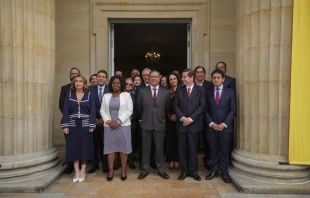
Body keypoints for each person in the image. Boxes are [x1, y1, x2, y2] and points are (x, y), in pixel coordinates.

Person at [137, 70, 170, 180]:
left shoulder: (165, 92)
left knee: (160, 149)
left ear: (160, 78)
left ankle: (161, 170)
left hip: (160, 124)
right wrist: (144, 118)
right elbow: (139, 107)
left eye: (156, 77)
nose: (154, 79)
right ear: (148, 78)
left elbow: (167, 108)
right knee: (146, 149)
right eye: (152, 77)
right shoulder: (142, 91)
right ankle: (145, 170)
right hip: (146, 124)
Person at [62, 75, 96, 183]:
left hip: (85, 126)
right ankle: (76, 171)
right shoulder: (69, 95)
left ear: (84, 83)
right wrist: (65, 125)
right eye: (76, 81)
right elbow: (65, 111)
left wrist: (92, 125)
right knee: (74, 148)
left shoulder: (89, 94)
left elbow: (93, 111)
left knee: (85, 147)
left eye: (80, 81)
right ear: (73, 83)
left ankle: (83, 170)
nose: (78, 83)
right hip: (72, 125)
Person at [174, 69, 206, 181]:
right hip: (181, 124)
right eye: (182, 77)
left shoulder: (201, 90)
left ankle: (193, 172)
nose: (182, 79)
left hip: (194, 125)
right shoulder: (179, 90)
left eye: (184, 77)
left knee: (193, 149)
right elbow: (176, 106)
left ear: (192, 78)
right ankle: (184, 171)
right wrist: (183, 118)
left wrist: (191, 119)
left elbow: (202, 106)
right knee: (182, 149)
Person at [205, 69, 236, 183]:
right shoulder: (207, 92)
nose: (216, 80)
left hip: (225, 128)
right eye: (214, 78)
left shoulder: (230, 92)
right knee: (213, 150)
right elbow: (205, 110)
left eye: (218, 77)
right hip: (211, 127)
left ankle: (224, 171)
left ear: (223, 79)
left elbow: (233, 109)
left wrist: (224, 124)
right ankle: (214, 170)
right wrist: (211, 124)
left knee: (224, 150)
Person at [100, 76, 133, 181]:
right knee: (110, 148)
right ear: (111, 84)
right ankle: (111, 170)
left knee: (123, 148)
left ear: (121, 84)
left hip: (123, 126)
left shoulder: (126, 95)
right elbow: (102, 110)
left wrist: (118, 122)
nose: (116, 85)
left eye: (118, 83)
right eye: (114, 83)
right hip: (109, 126)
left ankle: (123, 169)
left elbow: (129, 110)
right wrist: (108, 122)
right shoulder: (106, 96)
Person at [59, 67, 80, 174]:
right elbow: (61, 105)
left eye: (76, 73)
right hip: (69, 120)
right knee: (70, 143)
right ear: (69, 75)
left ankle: (78, 164)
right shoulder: (64, 88)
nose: (74, 75)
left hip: (81, 121)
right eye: (72, 73)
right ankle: (70, 164)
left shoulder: (84, 89)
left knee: (80, 143)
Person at [88, 70, 109, 174]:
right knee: (94, 145)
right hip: (93, 121)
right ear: (96, 78)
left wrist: (103, 119)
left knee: (105, 144)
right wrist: (94, 119)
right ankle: (95, 165)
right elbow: (87, 106)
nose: (101, 78)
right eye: (99, 76)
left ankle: (105, 165)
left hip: (106, 122)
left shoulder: (110, 89)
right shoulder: (89, 89)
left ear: (106, 79)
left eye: (103, 77)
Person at [135, 68, 156, 170]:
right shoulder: (139, 88)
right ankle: (143, 163)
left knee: (153, 142)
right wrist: (140, 119)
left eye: (148, 75)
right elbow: (137, 105)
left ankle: (152, 161)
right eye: (144, 75)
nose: (146, 77)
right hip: (143, 121)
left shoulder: (156, 87)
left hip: (155, 120)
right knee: (142, 143)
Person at [194, 66, 213, 170]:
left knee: (207, 140)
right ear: (195, 74)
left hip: (207, 117)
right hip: (193, 118)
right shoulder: (191, 85)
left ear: (205, 74)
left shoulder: (210, 85)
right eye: (198, 72)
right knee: (194, 142)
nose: (200, 74)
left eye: (202, 72)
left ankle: (207, 160)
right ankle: (193, 162)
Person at [165, 72, 181, 171]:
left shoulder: (182, 90)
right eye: (170, 79)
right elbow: (165, 106)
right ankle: (171, 159)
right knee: (170, 140)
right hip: (169, 119)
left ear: (177, 79)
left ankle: (178, 159)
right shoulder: (166, 92)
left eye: (174, 79)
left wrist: (177, 115)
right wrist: (170, 115)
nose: (172, 81)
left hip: (180, 119)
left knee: (178, 140)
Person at [125, 78, 137, 169]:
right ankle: (119, 162)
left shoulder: (136, 95)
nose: (128, 85)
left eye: (130, 84)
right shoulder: (119, 94)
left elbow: (138, 108)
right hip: (120, 122)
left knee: (131, 142)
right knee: (121, 141)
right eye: (127, 84)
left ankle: (131, 161)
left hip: (132, 122)